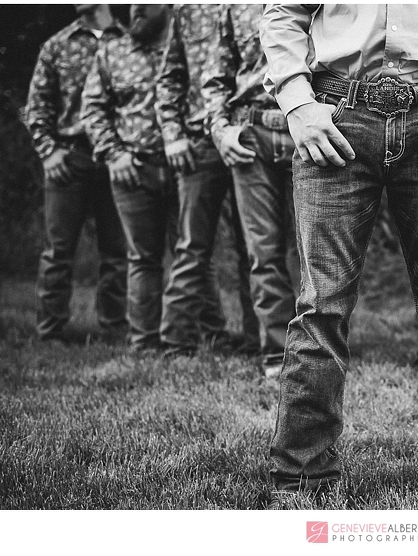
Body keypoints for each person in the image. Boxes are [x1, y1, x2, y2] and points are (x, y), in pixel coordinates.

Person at [260, 4, 418, 509]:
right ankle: (300, 480)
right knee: (320, 307)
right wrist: (297, 104)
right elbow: (282, 13)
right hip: (334, 116)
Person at [155, 4, 259, 357]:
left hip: (248, 135)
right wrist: (172, 135)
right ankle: (177, 343)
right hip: (199, 142)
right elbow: (170, 77)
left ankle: (258, 342)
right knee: (192, 247)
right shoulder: (187, 9)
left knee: (257, 248)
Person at [202, 4, 300, 377]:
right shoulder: (233, 7)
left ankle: (319, 354)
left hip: (307, 131)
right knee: (263, 253)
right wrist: (220, 129)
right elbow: (217, 75)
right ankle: (278, 356)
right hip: (251, 135)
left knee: (320, 254)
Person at [25, 4, 127, 343]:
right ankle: (50, 331)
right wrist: (48, 151)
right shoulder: (57, 45)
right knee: (58, 251)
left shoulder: (128, 41)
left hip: (115, 159)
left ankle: (115, 328)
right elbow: (37, 105)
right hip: (70, 158)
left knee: (117, 251)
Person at [82, 4, 178, 353]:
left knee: (192, 254)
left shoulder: (184, 46)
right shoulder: (112, 52)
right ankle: (145, 341)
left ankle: (193, 336)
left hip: (184, 167)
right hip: (133, 168)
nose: (135, 8)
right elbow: (92, 108)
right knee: (143, 258)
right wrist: (113, 153)